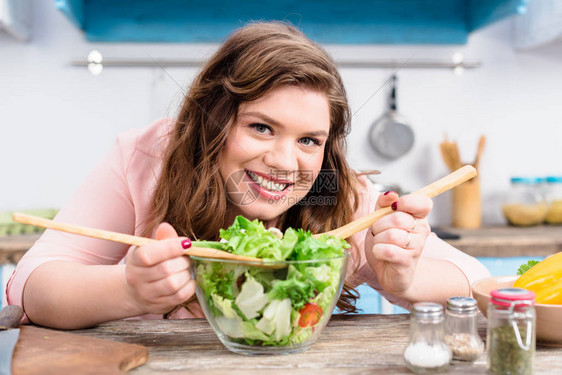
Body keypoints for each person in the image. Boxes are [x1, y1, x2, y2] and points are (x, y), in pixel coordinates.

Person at [6, 22, 490, 329]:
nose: (285, 162)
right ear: (212, 118)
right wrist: (127, 290)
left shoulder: (336, 191)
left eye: (309, 140)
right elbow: (33, 281)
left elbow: (476, 281)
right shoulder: (146, 157)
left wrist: (405, 279)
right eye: (261, 127)